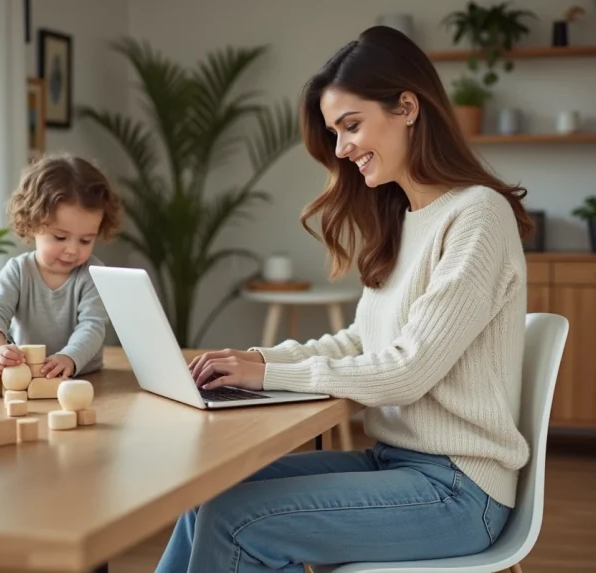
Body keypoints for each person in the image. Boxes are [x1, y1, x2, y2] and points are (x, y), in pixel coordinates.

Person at [156, 25, 534, 573]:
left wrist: (267, 377)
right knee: (209, 492)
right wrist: (258, 361)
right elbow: (359, 342)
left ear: (407, 106)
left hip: (459, 491)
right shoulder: (402, 221)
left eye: (350, 126)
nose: (341, 149)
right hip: (394, 463)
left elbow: (408, 371)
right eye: (335, 133)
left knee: (238, 524)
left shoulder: (476, 214)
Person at [0, 154, 121, 379]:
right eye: (60, 237)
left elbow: (92, 327)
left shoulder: (92, 275)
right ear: (32, 224)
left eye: (86, 240)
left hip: (82, 376)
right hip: (26, 375)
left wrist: (69, 357)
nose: (72, 250)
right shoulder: (18, 271)